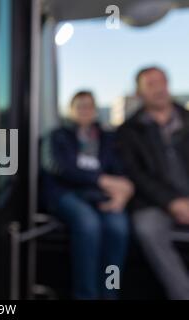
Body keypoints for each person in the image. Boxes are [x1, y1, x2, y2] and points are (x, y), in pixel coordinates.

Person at [42, 91, 133, 299]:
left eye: (90, 106)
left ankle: (111, 290)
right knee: (88, 224)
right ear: (71, 109)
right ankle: (86, 293)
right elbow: (59, 166)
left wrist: (122, 195)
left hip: (101, 196)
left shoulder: (108, 138)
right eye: (80, 105)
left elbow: (120, 170)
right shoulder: (59, 135)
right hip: (66, 193)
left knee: (118, 228)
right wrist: (100, 180)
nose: (85, 110)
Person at [117, 66, 189, 300]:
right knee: (147, 229)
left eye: (162, 82)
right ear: (139, 92)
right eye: (151, 84)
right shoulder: (128, 131)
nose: (159, 89)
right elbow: (135, 174)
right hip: (153, 202)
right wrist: (172, 202)